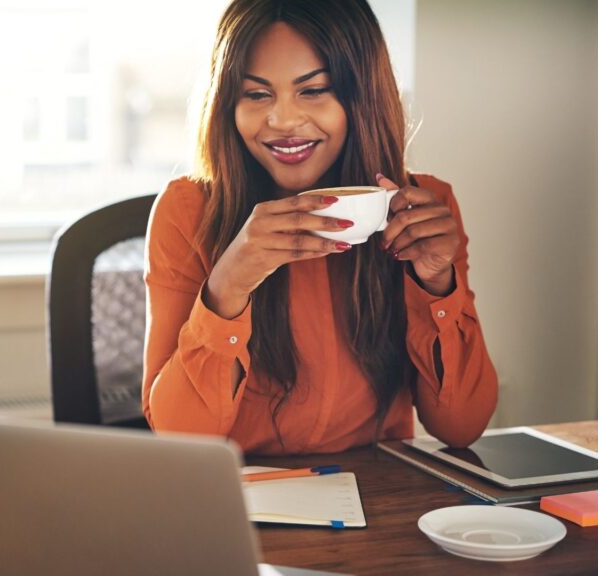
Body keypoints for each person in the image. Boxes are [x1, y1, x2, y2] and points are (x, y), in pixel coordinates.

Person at [141, 0, 497, 454]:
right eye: (256, 94)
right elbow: (179, 439)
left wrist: (438, 285)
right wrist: (227, 288)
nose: (284, 120)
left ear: (362, 96)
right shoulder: (188, 212)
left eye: (313, 91)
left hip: (375, 500)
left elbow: (461, 426)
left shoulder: (423, 210)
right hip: (241, 502)